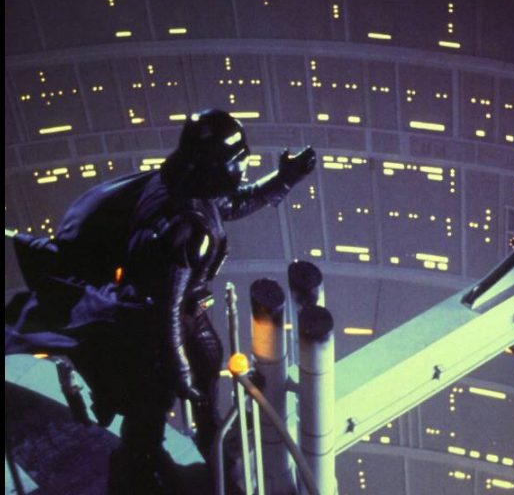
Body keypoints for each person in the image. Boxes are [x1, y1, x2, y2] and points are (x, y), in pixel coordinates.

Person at [5, 109, 316, 494]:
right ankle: (136, 473)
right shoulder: (185, 228)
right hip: (159, 330)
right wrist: (179, 369)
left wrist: (285, 178)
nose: (243, 167)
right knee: (152, 404)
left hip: (180, 320)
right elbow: (165, 310)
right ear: (211, 166)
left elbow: (230, 204)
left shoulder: (179, 190)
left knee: (195, 386)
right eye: (237, 161)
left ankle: (197, 449)